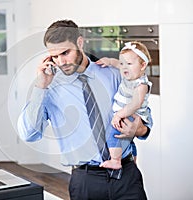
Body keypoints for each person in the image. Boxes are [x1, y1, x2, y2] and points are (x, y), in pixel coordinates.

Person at [17, 20, 153, 200]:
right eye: (54, 56)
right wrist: (40, 86)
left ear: (79, 43)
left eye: (65, 53)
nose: (61, 62)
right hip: (85, 181)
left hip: (126, 175)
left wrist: (139, 129)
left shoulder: (113, 74)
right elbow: (29, 133)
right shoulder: (49, 87)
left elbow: (144, 117)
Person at [96, 41, 152, 170]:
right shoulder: (129, 74)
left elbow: (135, 104)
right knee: (126, 140)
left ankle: (115, 160)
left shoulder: (141, 84)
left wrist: (119, 115)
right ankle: (132, 157)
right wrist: (109, 61)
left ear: (143, 65)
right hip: (124, 113)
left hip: (131, 114)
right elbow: (117, 64)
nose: (124, 67)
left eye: (129, 64)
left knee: (113, 133)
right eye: (122, 63)